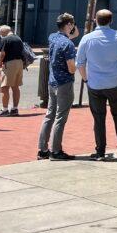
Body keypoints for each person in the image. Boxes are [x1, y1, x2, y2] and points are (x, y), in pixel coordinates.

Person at [76, 9, 117, 160]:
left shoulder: (87, 38)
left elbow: (80, 63)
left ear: (95, 20)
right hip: (115, 83)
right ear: (111, 21)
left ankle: (100, 152)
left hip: (95, 84)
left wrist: (86, 79)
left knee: (98, 119)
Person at [38, 13, 79, 160]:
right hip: (64, 84)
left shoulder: (53, 38)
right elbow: (71, 68)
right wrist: (78, 64)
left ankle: (42, 149)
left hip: (52, 82)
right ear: (68, 25)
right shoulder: (68, 45)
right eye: (72, 24)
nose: (74, 26)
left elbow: (75, 34)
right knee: (60, 118)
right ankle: (56, 151)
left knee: (49, 115)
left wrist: (70, 21)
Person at [0, 25, 24, 117]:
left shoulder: (5, 39)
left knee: (5, 87)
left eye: (0, 34)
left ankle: (5, 109)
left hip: (10, 63)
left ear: (3, 33)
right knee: (15, 87)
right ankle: (15, 109)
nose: (0, 36)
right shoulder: (18, 38)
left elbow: (2, 54)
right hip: (19, 63)